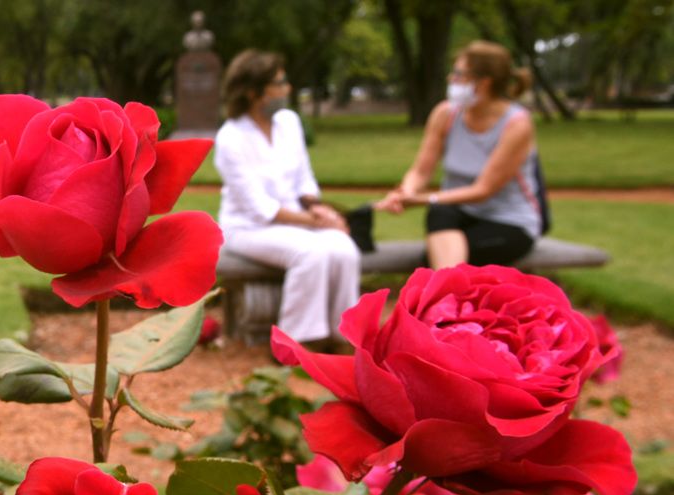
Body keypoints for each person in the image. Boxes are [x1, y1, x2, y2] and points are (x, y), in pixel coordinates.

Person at [214, 50, 359, 346]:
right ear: (255, 93)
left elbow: (304, 178)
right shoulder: (231, 138)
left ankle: (343, 335)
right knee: (311, 253)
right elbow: (259, 208)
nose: (287, 89)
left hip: (296, 220)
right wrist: (317, 221)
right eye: (279, 84)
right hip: (247, 228)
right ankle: (296, 342)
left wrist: (319, 210)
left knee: (344, 247)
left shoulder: (289, 122)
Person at [376, 40, 541, 268]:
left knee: (435, 259)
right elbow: (421, 170)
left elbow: (482, 190)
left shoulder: (517, 124)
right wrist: (406, 191)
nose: (450, 80)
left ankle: (446, 293)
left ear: (483, 83)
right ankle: (448, 292)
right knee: (440, 215)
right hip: (457, 215)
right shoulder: (445, 114)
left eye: (458, 74)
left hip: (509, 222)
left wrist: (422, 199)